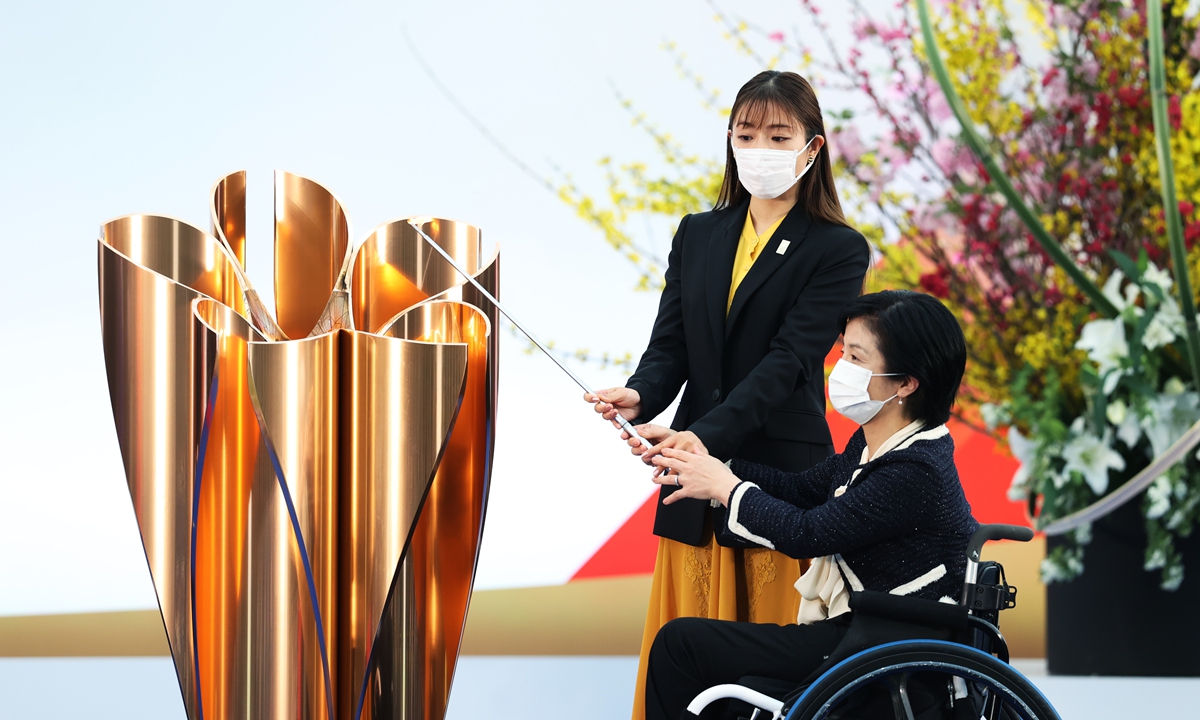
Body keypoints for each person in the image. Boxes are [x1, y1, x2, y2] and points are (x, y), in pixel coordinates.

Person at [586, 70, 871, 718]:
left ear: (812, 147)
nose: (760, 148)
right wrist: (638, 396)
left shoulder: (837, 248)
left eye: (778, 134)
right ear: (730, 140)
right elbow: (672, 346)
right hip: (690, 473)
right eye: (747, 134)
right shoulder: (698, 233)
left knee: (773, 672)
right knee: (683, 658)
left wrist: (704, 438)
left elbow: (787, 363)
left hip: (775, 477)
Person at [636, 290, 979, 720]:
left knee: (680, 644)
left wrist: (725, 488)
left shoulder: (915, 468)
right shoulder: (876, 442)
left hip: (883, 646)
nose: (841, 370)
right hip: (867, 632)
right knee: (691, 651)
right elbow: (801, 489)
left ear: (907, 384)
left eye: (857, 358)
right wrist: (704, 459)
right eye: (842, 353)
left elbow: (807, 533)